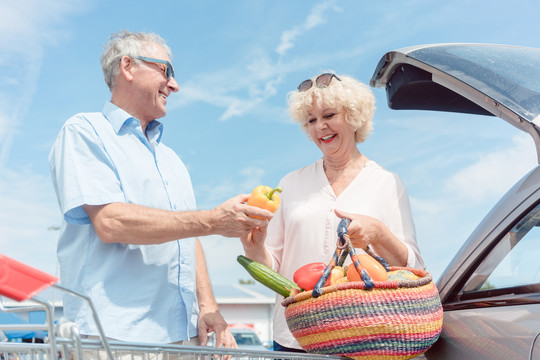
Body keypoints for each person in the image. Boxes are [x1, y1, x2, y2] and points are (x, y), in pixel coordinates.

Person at [48, 30, 273, 348]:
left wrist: (207, 306)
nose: (175, 85)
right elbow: (110, 222)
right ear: (128, 67)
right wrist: (212, 220)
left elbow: (188, 236)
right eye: (166, 70)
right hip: (115, 338)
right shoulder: (84, 132)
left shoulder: (172, 160)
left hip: (184, 337)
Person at [240, 73, 424, 352]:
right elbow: (273, 268)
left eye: (328, 115)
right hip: (296, 339)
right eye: (311, 120)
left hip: (363, 338)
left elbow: (413, 268)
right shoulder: (290, 183)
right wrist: (253, 248)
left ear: (353, 116)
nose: (320, 127)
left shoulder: (388, 183)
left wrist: (379, 233)